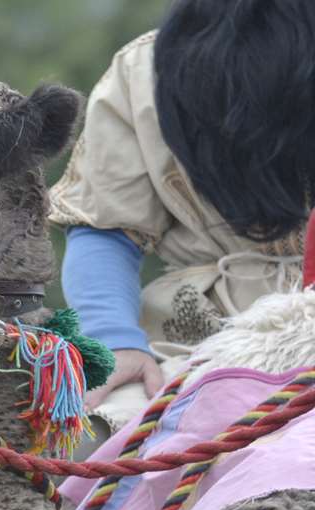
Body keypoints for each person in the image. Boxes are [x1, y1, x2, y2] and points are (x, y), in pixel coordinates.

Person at [51, 0, 314, 435]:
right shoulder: (143, 71)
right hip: (189, 343)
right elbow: (107, 229)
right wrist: (114, 340)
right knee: (79, 450)